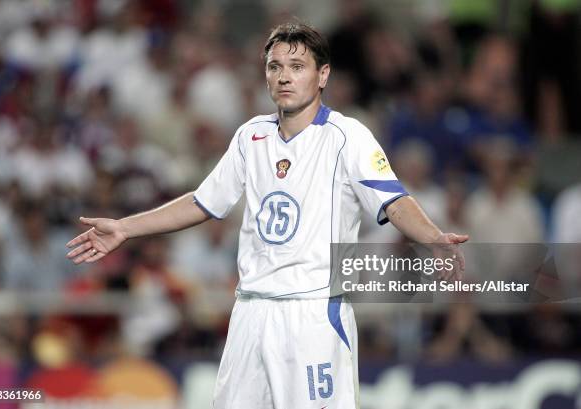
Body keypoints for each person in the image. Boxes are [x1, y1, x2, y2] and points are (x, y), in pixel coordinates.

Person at [66, 22, 468, 409]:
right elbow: (202, 202)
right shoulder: (250, 136)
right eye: (275, 67)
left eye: (297, 67)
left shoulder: (348, 137)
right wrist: (124, 228)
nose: (284, 77)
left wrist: (434, 239)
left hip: (313, 313)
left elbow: (393, 201)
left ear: (322, 75)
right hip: (250, 312)